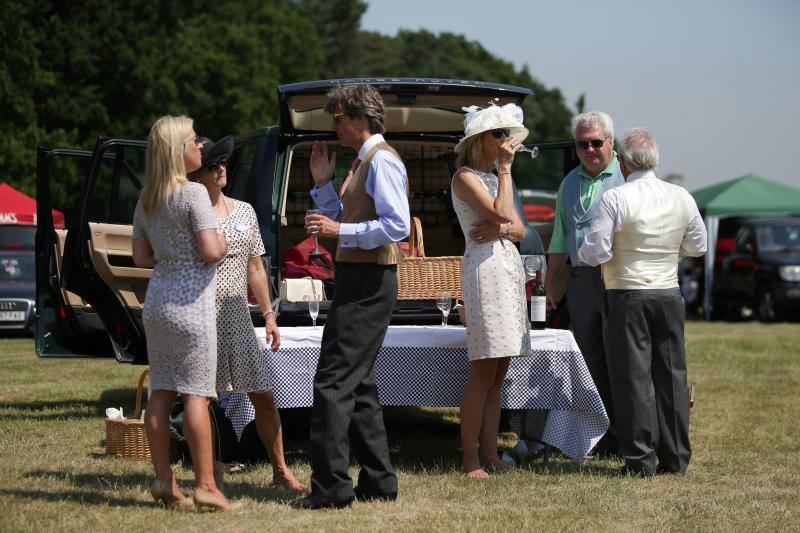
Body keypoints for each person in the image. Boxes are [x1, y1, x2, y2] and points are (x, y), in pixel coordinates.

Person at [293, 84, 410, 510]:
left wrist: (339, 231)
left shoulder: (382, 162)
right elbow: (351, 218)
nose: (334, 126)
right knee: (357, 383)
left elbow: (397, 227)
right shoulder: (366, 161)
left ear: (360, 118)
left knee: (332, 382)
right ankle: (379, 481)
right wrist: (323, 186)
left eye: (338, 118)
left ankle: (331, 488)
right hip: (360, 278)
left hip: (368, 281)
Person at [578, 128, 707, 476]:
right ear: (656, 161)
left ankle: (639, 459)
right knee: (672, 374)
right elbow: (699, 245)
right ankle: (676, 456)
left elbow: (595, 250)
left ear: (622, 163)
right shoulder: (681, 195)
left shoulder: (616, 198)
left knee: (632, 375)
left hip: (626, 293)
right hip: (668, 291)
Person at [131, 116, 239, 511]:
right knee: (197, 395)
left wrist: (172, 253)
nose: (200, 148)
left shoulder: (147, 198)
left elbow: (141, 256)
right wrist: (224, 242)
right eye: (194, 142)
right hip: (192, 304)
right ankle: (207, 486)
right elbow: (211, 251)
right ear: (179, 151)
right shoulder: (193, 194)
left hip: (158, 301)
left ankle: (163, 481)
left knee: (161, 393)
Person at [189, 136, 306, 492]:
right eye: (212, 165)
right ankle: (212, 473)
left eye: (223, 162)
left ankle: (281, 471)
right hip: (202, 316)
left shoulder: (244, 210)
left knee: (264, 396)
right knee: (204, 399)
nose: (221, 168)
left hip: (239, 316)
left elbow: (255, 265)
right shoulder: (189, 212)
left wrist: (269, 314)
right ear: (197, 174)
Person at [451, 103, 532, 478]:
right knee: (482, 370)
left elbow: (518, 229)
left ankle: (490, 453)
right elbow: (502, 213)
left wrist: (502, 226)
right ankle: (470, 459)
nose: (505, 141)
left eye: (508, 134)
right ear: (478, 140)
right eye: (497, 134)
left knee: (500, 371)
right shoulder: (466, 177)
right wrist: (504, 170)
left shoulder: (496, 177)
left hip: (506, 269)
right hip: (484, 271)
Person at [543, 110, 624, 455]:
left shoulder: (629, 175)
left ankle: (626, 435)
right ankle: (596, 434)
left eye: (595, 142)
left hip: (620, 279)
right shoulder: (569, 182)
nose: (589, 150)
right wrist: (550, 282)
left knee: (621, 356)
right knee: (588, 358)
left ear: (610, 142)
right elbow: (561, 238)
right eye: (581, 144)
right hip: (580, 282)